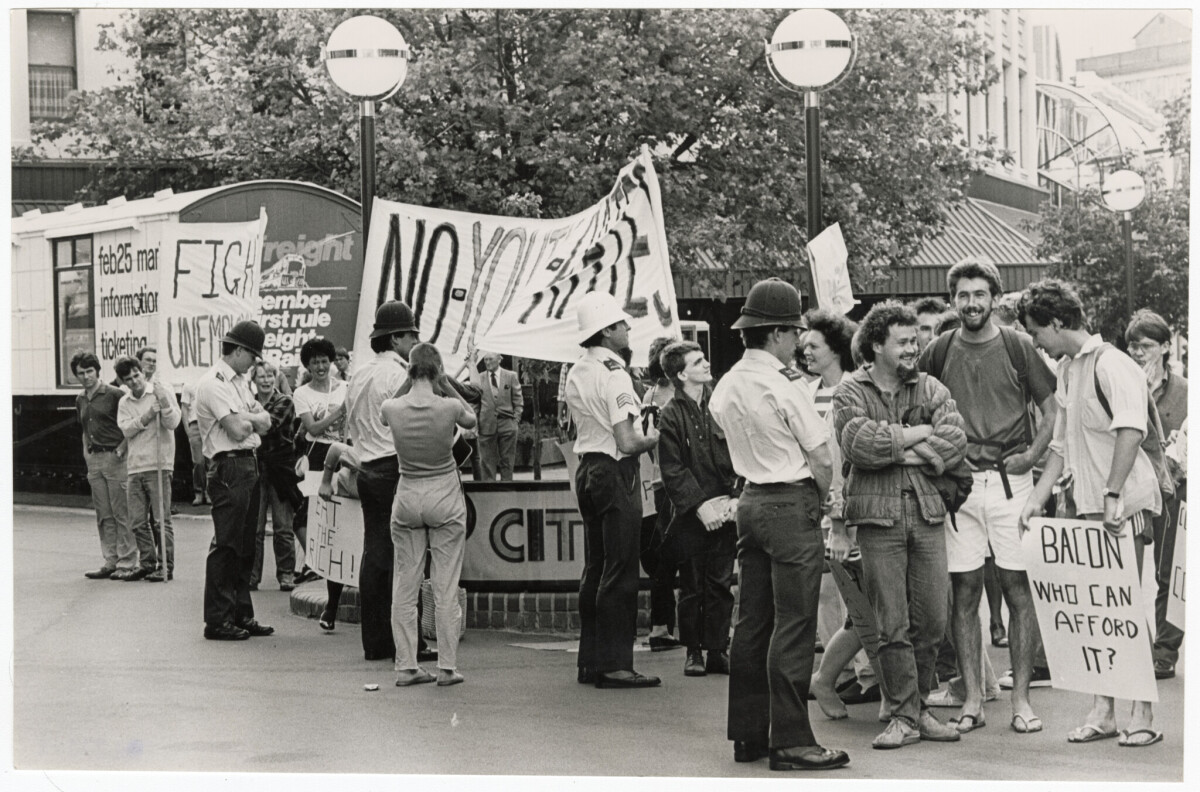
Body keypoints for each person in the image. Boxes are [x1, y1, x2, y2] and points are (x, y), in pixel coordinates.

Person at [709, 277, 849, 771]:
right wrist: (821, 499)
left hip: (750, 500)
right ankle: (791, 740)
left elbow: (722, 429)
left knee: (752, 622)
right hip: (790, 500)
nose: (798, 341)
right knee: (794, 623)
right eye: (793, 332)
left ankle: (748, 734)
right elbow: (821, 455)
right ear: (776, 334)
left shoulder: (727, 382)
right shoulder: (784, 384)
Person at [1017, 279, 1163, 747]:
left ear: (1058, 322)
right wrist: (1036, 499)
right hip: (1087, 510)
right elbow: (1060, 445)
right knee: (1098, 611)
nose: (1035, 341)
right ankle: (1103, 711)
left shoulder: (1114, 364)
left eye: (1037, 330)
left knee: (1127, 607)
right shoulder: (1067, 370)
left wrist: (1113, 494)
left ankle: (1143, 713)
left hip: (1124, 506)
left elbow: (1131, 431)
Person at [918, 259, 1058, 736]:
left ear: (994, 298)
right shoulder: (938, 349)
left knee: (1019, 590)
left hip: (1009, 484)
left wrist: (1032, 455)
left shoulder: (1018, 346)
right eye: (963, 295)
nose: (972, 303)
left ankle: (1021, 700)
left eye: (980, 294)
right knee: (964, 593)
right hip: (958, 487)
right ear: (953, 300)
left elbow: (1052, 408)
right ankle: (974, 698)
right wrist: (935, 456)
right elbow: (913, 406)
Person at [833, 300, 966, 750]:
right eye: (903, 342)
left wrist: (897, 450)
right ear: (876, 345)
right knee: (891, 623)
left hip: (927, 513)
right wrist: (919, 435)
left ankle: (919, 707)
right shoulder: (851, 390)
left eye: (915, 340)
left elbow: (955, 441)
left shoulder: (930, 386)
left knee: (932, 620)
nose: (914, 348)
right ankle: (905, 715)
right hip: (877, 518)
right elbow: (858, 445)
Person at [565, 291, 661, 690]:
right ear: (606, 331)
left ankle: (591, 660)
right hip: (615, 469)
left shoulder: (577, 370)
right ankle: (616, 664)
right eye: (621, 323)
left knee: (595, 566)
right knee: (621, 569)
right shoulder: (615, 372)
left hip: (587, 468)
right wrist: (652, 437)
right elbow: (626, 440)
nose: (627, 327)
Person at [799, 309, 883, 718]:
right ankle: (841, 673)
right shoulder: (804, 392)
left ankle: (867, 673)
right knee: (829, 593)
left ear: (835, 348)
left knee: (859, 595)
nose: (805, 352)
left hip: (850, 506)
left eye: (813, 345)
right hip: (819, 504)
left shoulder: (856, 389)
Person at [379, 343, 478, 687]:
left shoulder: (393, 408)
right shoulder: (449, 406)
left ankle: (406, 666)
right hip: (445, 495)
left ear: (409, 372)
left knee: (405, 586)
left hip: (408, 495)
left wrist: (409, 382)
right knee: (445, 587)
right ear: (437, 371)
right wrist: (446, 384)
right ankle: (447, 667)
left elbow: (384, 413)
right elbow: (472, 419)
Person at [345, 301, 424, 662]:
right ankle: (406, 643)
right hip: (394, 467)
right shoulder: (399, 375)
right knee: (405, 557)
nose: (414, 342)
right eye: (410, 336)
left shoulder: (359, 374)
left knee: (375, 554)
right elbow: (414, 423)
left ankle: (375, 641)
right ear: (395, 339)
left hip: (366, 467)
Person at [656, 341, 737, 677]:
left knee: (721, 583)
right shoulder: (670, 415)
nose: (706, 364)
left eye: (704, 358)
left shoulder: (721, 406)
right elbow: (672, 468)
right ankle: (693, 652)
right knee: (691, 584)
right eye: (697, 361)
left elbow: (741, 450)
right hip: (692, 515)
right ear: (681, 374)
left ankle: (717, 649)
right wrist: (699, 506)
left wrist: (735, 497)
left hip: (726, 507)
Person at [195, 320, 275, 641]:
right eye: (253, 356)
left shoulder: (240, 382)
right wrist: (251, 419)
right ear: (239, 350)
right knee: (227, 544)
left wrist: (248, 418)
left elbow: (266, 421)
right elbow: (238, 429)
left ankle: (241, 613)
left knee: (245, 545)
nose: (255, 363)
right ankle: (217, 618)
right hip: (228, 465)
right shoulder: (214, 383)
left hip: (246, 463)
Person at [1125, 309, 1188, 681]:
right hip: (1130, 490)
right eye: (1132, 346)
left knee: (1169, 573)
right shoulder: (1121, 383)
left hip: (1172, 492)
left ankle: (1164, 654)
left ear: (1165, 347)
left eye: (1146, 345)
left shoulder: (1186, 391)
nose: (1137, 352)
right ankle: (1134, 647)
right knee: (1125, 573)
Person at [73, 351, 138, 581]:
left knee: (122, 512)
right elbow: (84, 429)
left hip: (115, 458)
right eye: (81, 373)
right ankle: (110, 560)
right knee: (104, 514)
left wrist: (122, 448)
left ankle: (127, 561)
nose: (86, 376)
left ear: (98, 371)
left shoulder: (115, 394)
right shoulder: (80, 399)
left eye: (89, 371)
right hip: (94, 460)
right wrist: (86, 454)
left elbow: (131, 424)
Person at [115, 355, 179, 583]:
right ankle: (148, 563)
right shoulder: (125, 402)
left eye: (136, 375)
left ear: (142, 372)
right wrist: (148, 415)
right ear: (123, 382)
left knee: (161, 520)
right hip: (135, 466)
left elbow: (173, 423)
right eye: (128, 379)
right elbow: (126, 430)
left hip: (159, 464)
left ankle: (166, 566)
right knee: (137, 521)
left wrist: (164, 403)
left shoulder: (160, 392)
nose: (134, 381)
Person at [292, 336, 349, 593]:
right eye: (315, 362)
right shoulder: (301, 393)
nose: (321, 367)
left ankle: (339, 569)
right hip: (317, 457)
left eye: (325, 361)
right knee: (305, 516)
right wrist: (339, 412)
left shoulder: (346, 387)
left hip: (343, 453)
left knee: (341, 512)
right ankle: (315, 563)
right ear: (308, 366)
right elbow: (312, 428)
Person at [640, 335, 682, 652]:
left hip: (653, 481)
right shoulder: (676, 397)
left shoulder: (648, 396)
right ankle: (664, 627)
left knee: (660, 556)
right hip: (673, 481)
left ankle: (661, 625)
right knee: (675, 555)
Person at [249, 360, 303, 592]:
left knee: (283, 526)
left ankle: (286, 574)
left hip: (281, 468)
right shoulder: (248, 401)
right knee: (255, 528)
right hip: (256, 468)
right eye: (261, 376)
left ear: (276, 378)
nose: (266, 380)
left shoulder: (285, 401)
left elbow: (268, 425)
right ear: (254, 379)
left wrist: (248, 418)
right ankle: (252, 576)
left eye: (270, 376)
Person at [473, 353, 524, 481]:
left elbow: (518, 400)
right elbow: (476, 403)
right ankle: (489, 491)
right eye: (485, 360)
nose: (487, 362)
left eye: (490, 359)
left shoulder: (511, 376)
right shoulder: (479, 378)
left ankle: (506, 490)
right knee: (486, 464)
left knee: (507, 462)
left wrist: (515, 420)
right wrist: (476, 423)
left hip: (507, 427)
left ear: (499, 360)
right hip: (486, 426)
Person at [180, 381, 209, 506]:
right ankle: (199, 492)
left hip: (210, 424)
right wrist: (187, 429)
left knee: (211, 460)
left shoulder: (210, 380)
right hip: (195, 424)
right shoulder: (188, 384)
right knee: (198, 461)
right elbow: (184, 408)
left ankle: (209, 492)